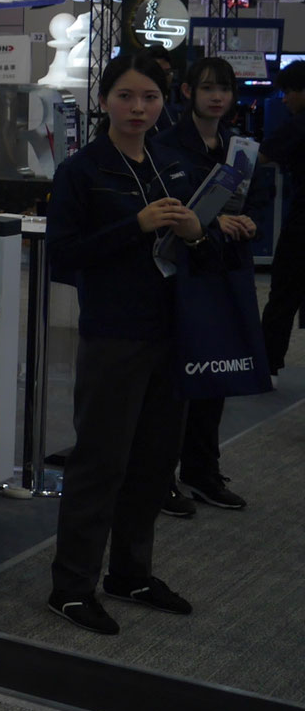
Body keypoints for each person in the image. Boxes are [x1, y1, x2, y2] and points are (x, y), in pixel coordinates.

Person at [44, 53, 214, 636]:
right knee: (100, 463)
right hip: (114, 334)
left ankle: (130, 573)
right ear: (103, 101)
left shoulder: (171, 164)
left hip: (172, 329)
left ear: (165, 102)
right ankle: (71, 587)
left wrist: (199, 232)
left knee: (153, 463)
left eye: (150, 97)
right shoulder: (82, 170)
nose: (138, 108)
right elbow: (63, 256)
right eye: (126, 96)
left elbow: (194, 245)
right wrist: (134, 226)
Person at [157, 56, 257, 513]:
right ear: (187, 92)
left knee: (214, 375)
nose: (218, 97)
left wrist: (247, 223)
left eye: (225, 89)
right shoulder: (166, 145)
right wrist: (214, 225)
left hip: (223, 270)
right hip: (179, 274)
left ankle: (201, 471)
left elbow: (254, 198)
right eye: (208, 88)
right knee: (174, 382)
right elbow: (170, 211)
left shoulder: (237, 149)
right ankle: (160, 478)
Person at [258, 61, 305, 373]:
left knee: (284, 293)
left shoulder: (297, 125)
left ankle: (268, 364)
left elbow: (260, 157)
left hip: (302, 225)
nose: (285, 99)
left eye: (289, 92)